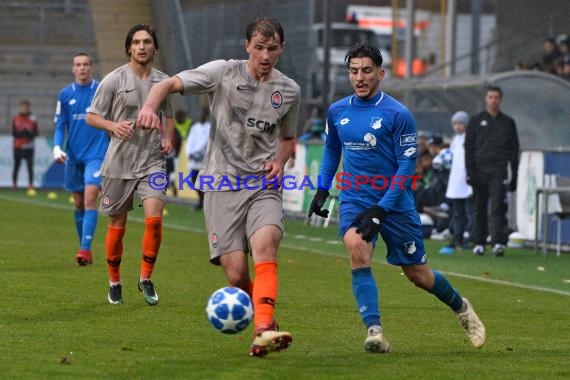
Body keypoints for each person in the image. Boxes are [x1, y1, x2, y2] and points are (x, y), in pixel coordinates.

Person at [136, 17, 300, 357]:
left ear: (281, 48)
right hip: (220, 184)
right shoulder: (223, 72)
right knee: (237, 274)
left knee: (267, 245)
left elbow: (287, 137)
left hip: (262, 184)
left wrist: (279, 162)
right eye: (258, 48)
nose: (265, 55)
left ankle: (263, 328)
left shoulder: (289, 91)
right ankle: (265, 317)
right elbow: (165, 85)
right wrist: (150, 107)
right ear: (247, 47)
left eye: (272, 49)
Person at [308, 43, 485, 353]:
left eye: (365, 71)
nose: (359, 77)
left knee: (418, 275)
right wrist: (323, 187)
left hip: (394, 203)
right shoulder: (338, 111)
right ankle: (374, 331)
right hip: (355, 198)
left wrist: (383, 208)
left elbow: (406, 165)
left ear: (380, 73)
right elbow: (331, 149)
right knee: (357, 248)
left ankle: (461, 308)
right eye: (353, 71)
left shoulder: (398, 114)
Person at [85, 24, 174, 306]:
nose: (142, 46)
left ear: (154, 47)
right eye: (136, 42)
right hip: (119, 163)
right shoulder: (112, 80)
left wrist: (168, 138)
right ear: (129, 48)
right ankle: (114, 281)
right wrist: (112, 125)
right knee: (117, 224)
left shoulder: (164, 82)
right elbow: (92, 116)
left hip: (152, 162)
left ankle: (145, 278)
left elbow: (168, 114)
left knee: (155, 221)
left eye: (147, 41)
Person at [53, 52, 110, 266]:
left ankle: (85, 250)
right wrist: (57, 147)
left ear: (91, 67)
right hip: (74, 155)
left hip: (97, 154)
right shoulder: (65, 94)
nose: (82, 68)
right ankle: (83, 245)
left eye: (86, 64)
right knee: (78, 202)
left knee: (89, 197)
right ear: (73, 68)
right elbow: (60, 125)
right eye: (78, 64)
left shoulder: (101, 91)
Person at [465, 85, 519, 257]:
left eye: (496, 97)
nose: (493, 100)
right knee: (479, 207)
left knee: (497, 208)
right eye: (490, 97)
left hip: (498, 171)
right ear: (485, 99)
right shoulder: (475, 121)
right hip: (479, 171)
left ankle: (497, 242)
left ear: (500, 100)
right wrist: (469, 172)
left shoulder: (508, 123)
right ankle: (479, 242)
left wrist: (515, 175)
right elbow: (468, 149)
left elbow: (514, 150)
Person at [438, 111, 473, 254]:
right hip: (456, 182)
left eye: (461, 124)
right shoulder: (455, 140)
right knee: (458, 212)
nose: (458, 127)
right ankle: (457, 238)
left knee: (470, 211)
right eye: (456, 124)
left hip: (467, 181)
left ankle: (471, 238)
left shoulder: (470, 139)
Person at [185, 106, 211, 211]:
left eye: (202, 114)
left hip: (203, 159)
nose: (200, 116)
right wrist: (190, 152)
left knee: (203, 182)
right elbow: (190, 141)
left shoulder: (209, 127)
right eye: (199, 114)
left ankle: (205, 203)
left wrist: (197, 152)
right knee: (193, 181)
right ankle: (201, 201)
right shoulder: (194, 127)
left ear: (206, 115)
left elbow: (205, 141)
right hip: (193, 159)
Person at [12, 99, 39, 195]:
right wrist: (21, 133)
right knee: (16, 166)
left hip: (29, 147)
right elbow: (14, 133)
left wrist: (29, 134)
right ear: (21, 108)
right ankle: (14, 184)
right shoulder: (16, 118)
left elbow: (36, 132)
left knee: (30, 167)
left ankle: (30, 185)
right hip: (18, 146)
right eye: (23, 107)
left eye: (26, 107)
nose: (25, 109)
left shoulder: (32, 118)